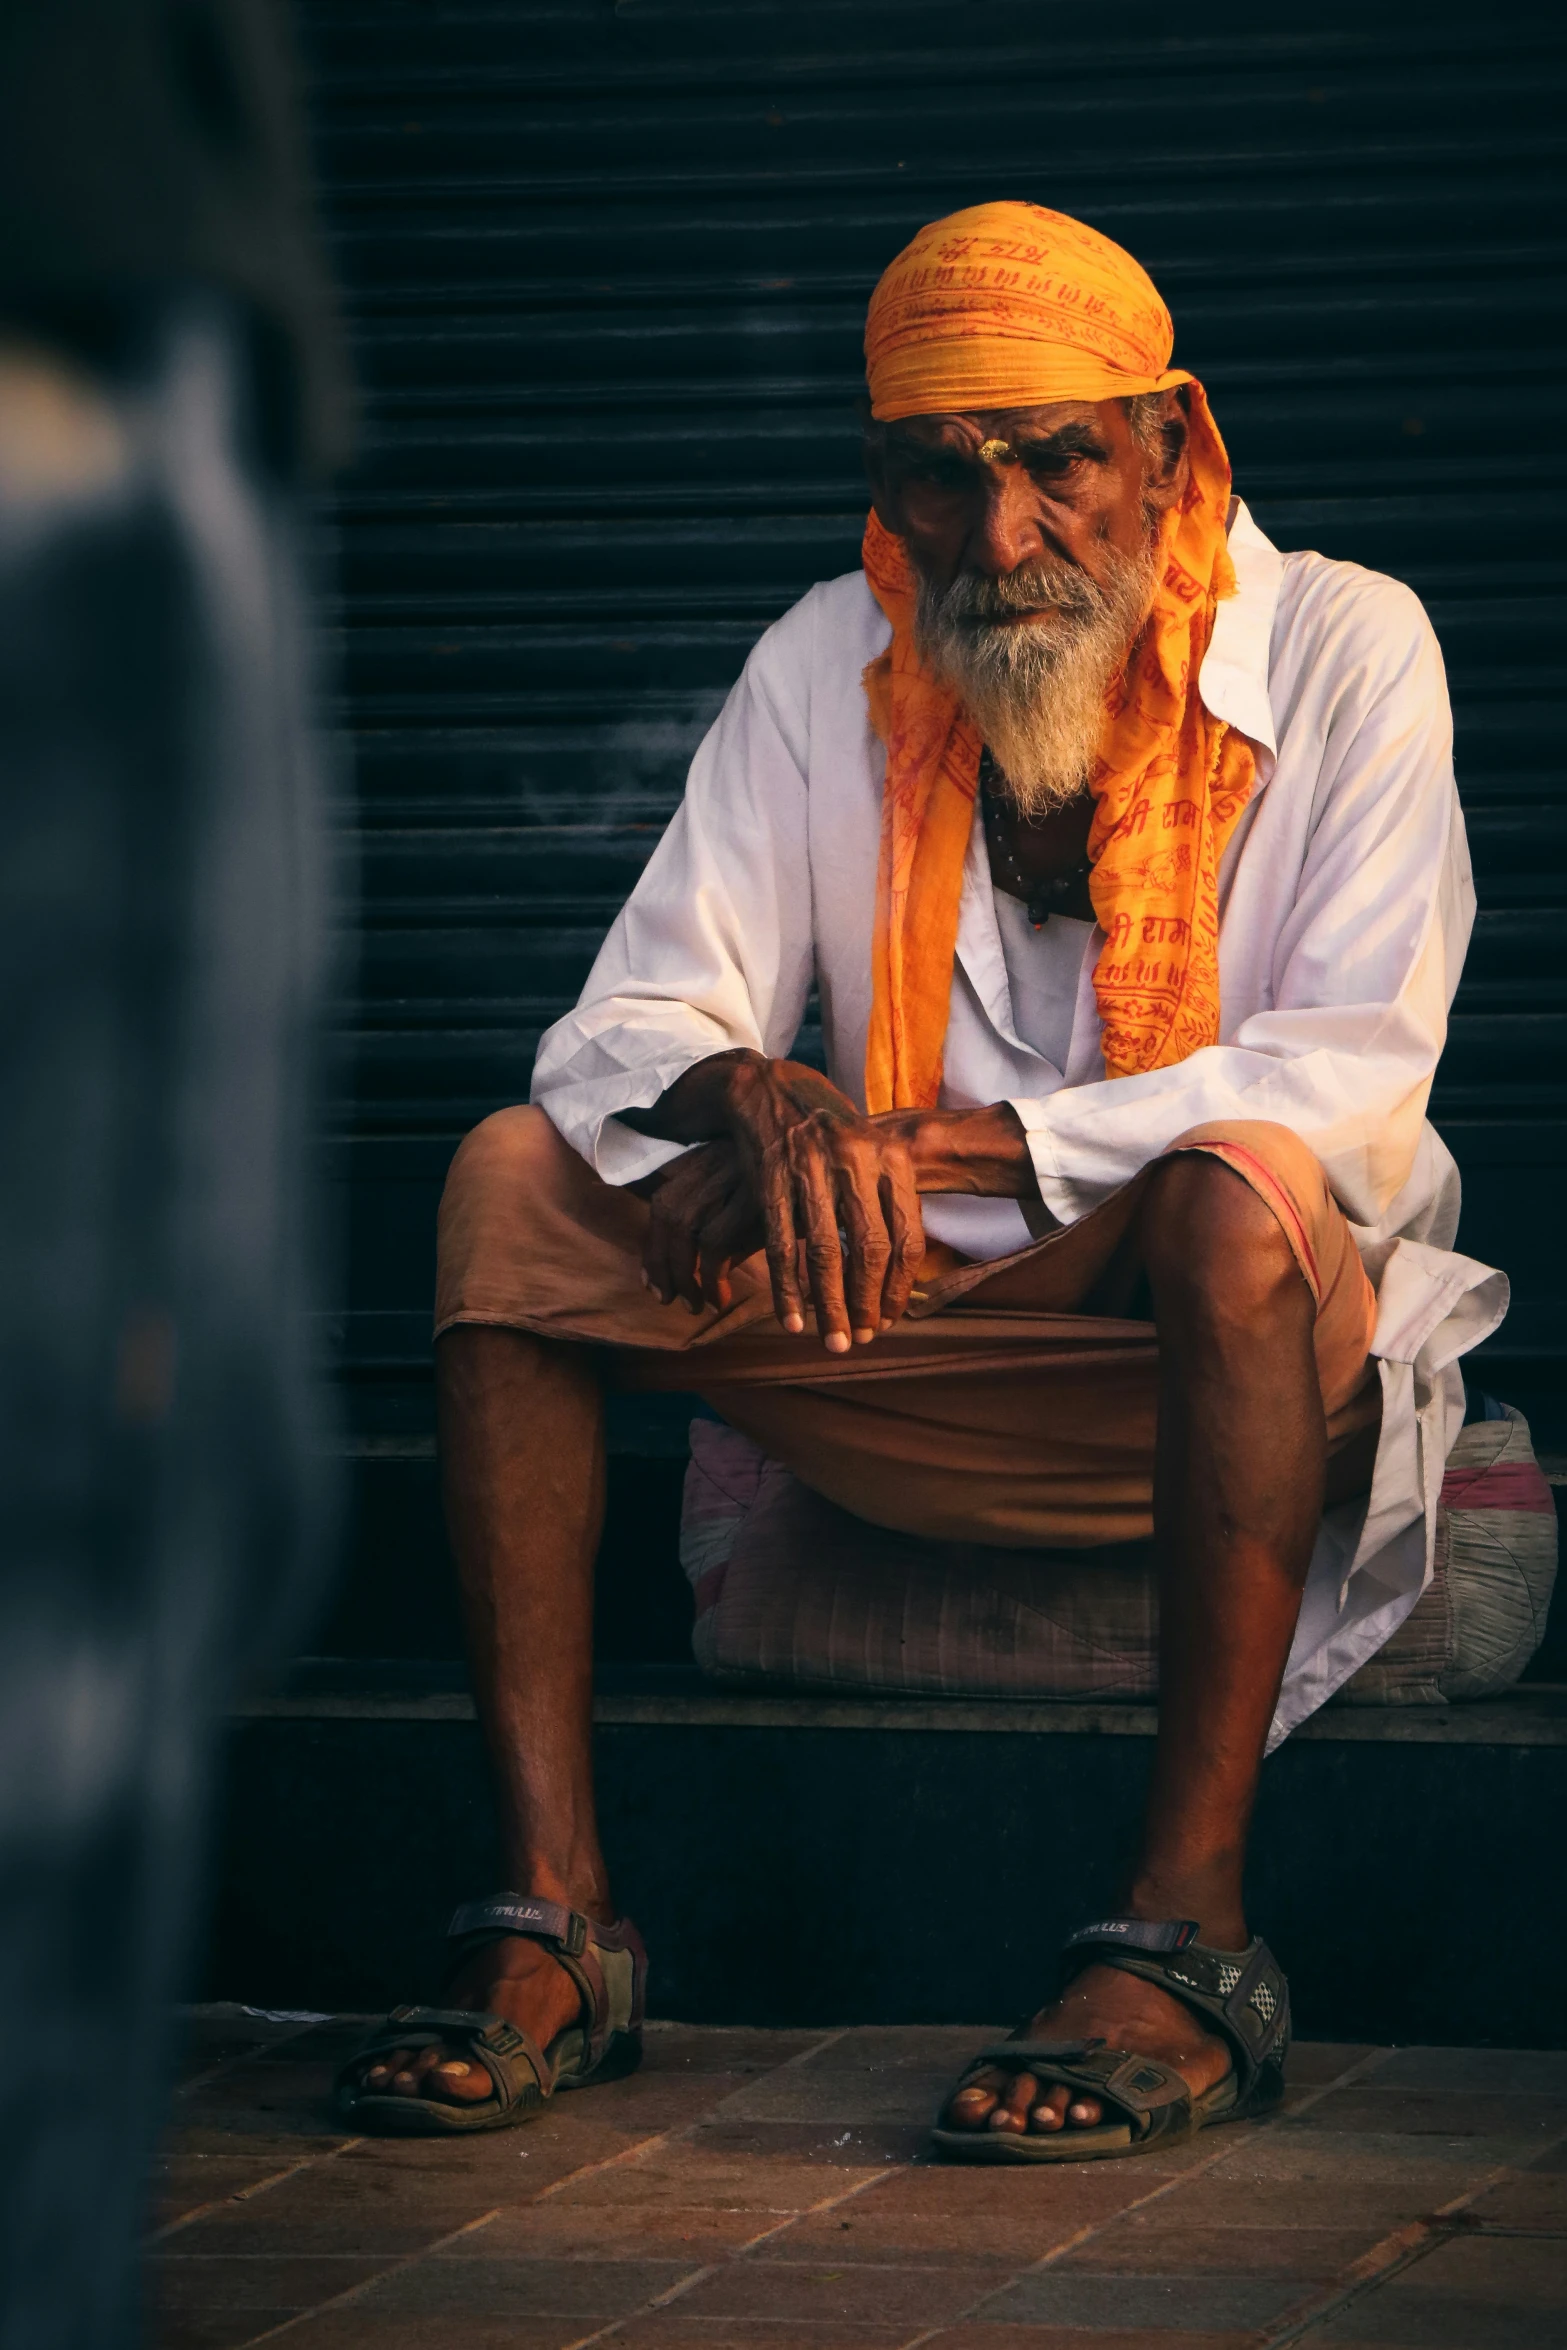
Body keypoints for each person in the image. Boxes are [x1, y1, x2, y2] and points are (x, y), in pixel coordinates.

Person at [337, 202, 1505, 2160]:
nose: (1003, 535)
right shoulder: (828, 658)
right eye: (942, 480)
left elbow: (1360, 1085)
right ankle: (556, 1917)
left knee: (1238, 1186)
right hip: (890, 1344)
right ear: (888, 489)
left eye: (1058, 460)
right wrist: (747, 1092)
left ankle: (1189, 1933)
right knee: (508, 1178)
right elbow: (623, 1020)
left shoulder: (1349, 647)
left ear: (1167, 451)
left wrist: (934, 1144)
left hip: (1214, 1353)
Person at [0, 4, 345, 2337]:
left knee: (147, 1523)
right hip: (66, 400)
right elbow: (651, 1024)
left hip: (134, 387)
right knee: (76, 1562)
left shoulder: (1358, 654)